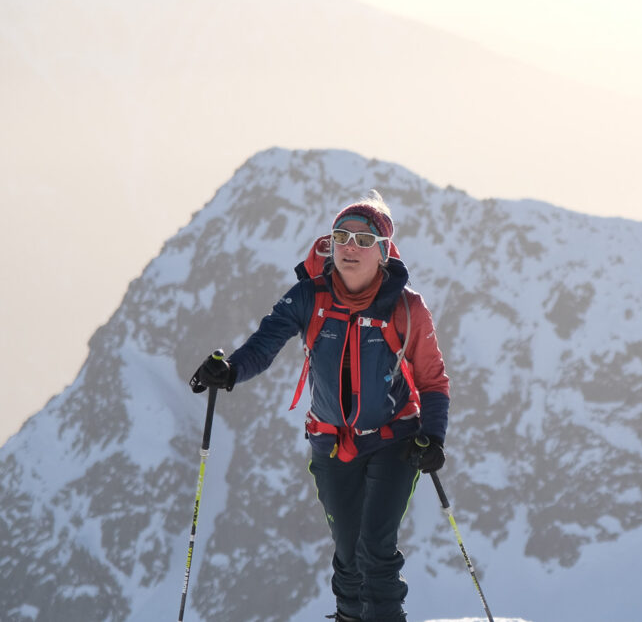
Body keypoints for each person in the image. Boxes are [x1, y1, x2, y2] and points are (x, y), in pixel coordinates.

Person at [188, 190, 450, 622]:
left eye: (364, 240)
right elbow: (266, 342)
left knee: (376, 550)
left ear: (384, 253)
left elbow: (432, 380)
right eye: (341, 235)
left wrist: (433, 437)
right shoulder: (309, 297)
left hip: (395, 440)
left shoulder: (407, 308)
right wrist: (230, 370)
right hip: (329, 444)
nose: (350, 246)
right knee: (348, 555)